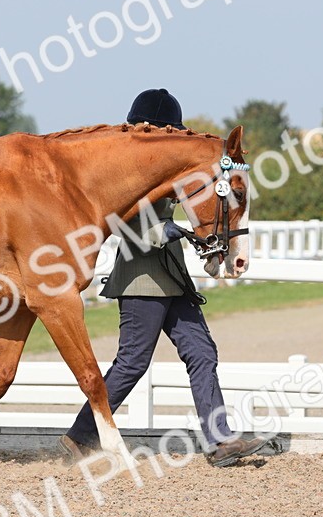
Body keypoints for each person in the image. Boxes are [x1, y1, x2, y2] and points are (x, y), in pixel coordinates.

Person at [59, 88, 267, 468]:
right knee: (133, 362)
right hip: (140, 278)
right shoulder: (125, 169)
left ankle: (220, 441)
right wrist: (159, 232)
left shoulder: (170, 169)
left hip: (171, 275)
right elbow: (119, 222)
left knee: (202, 352)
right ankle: (81, 435)